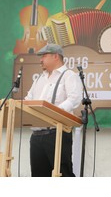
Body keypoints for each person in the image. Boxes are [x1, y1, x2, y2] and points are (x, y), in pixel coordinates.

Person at [25, 43, 82, 177]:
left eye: (44, 56)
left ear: (55, 56)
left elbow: (74, 98)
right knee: (38, 176)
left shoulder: (68, 75)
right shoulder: (39, 78)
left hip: (57, 133)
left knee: (63, 173)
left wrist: (54, 112)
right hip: (36, 136)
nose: (41, 60)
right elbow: (29, 98)